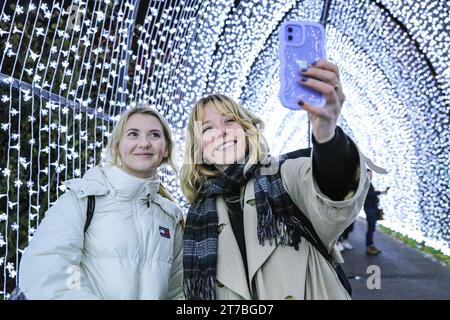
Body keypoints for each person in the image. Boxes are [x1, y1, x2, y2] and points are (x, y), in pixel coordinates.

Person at [180, 60, 380, 300]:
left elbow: (333, 196)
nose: (222, 132)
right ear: (198, 147)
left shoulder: (284, 175)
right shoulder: (197, 216)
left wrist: (326, 134)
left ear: (245, 129)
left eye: (229, 121)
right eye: (207, 129)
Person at [17, 107, 184, 299]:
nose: (144, 143)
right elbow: (47, 270)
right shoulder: (82, 200)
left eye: (154, 135)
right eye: (133, 134)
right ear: (116, 146)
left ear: (166, 149)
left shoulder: (170, 217)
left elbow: (176, 292)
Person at [365, 169, 389, 255]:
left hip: (372, 208)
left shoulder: (368, 184)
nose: (371, 176)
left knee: (372, 227)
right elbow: (368, 195)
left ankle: (371, 245)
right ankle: (369, 247)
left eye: (371, 175)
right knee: (371, 227)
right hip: (369, 208)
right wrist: (379, 192)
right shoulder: (364, 184)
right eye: (369, 174)